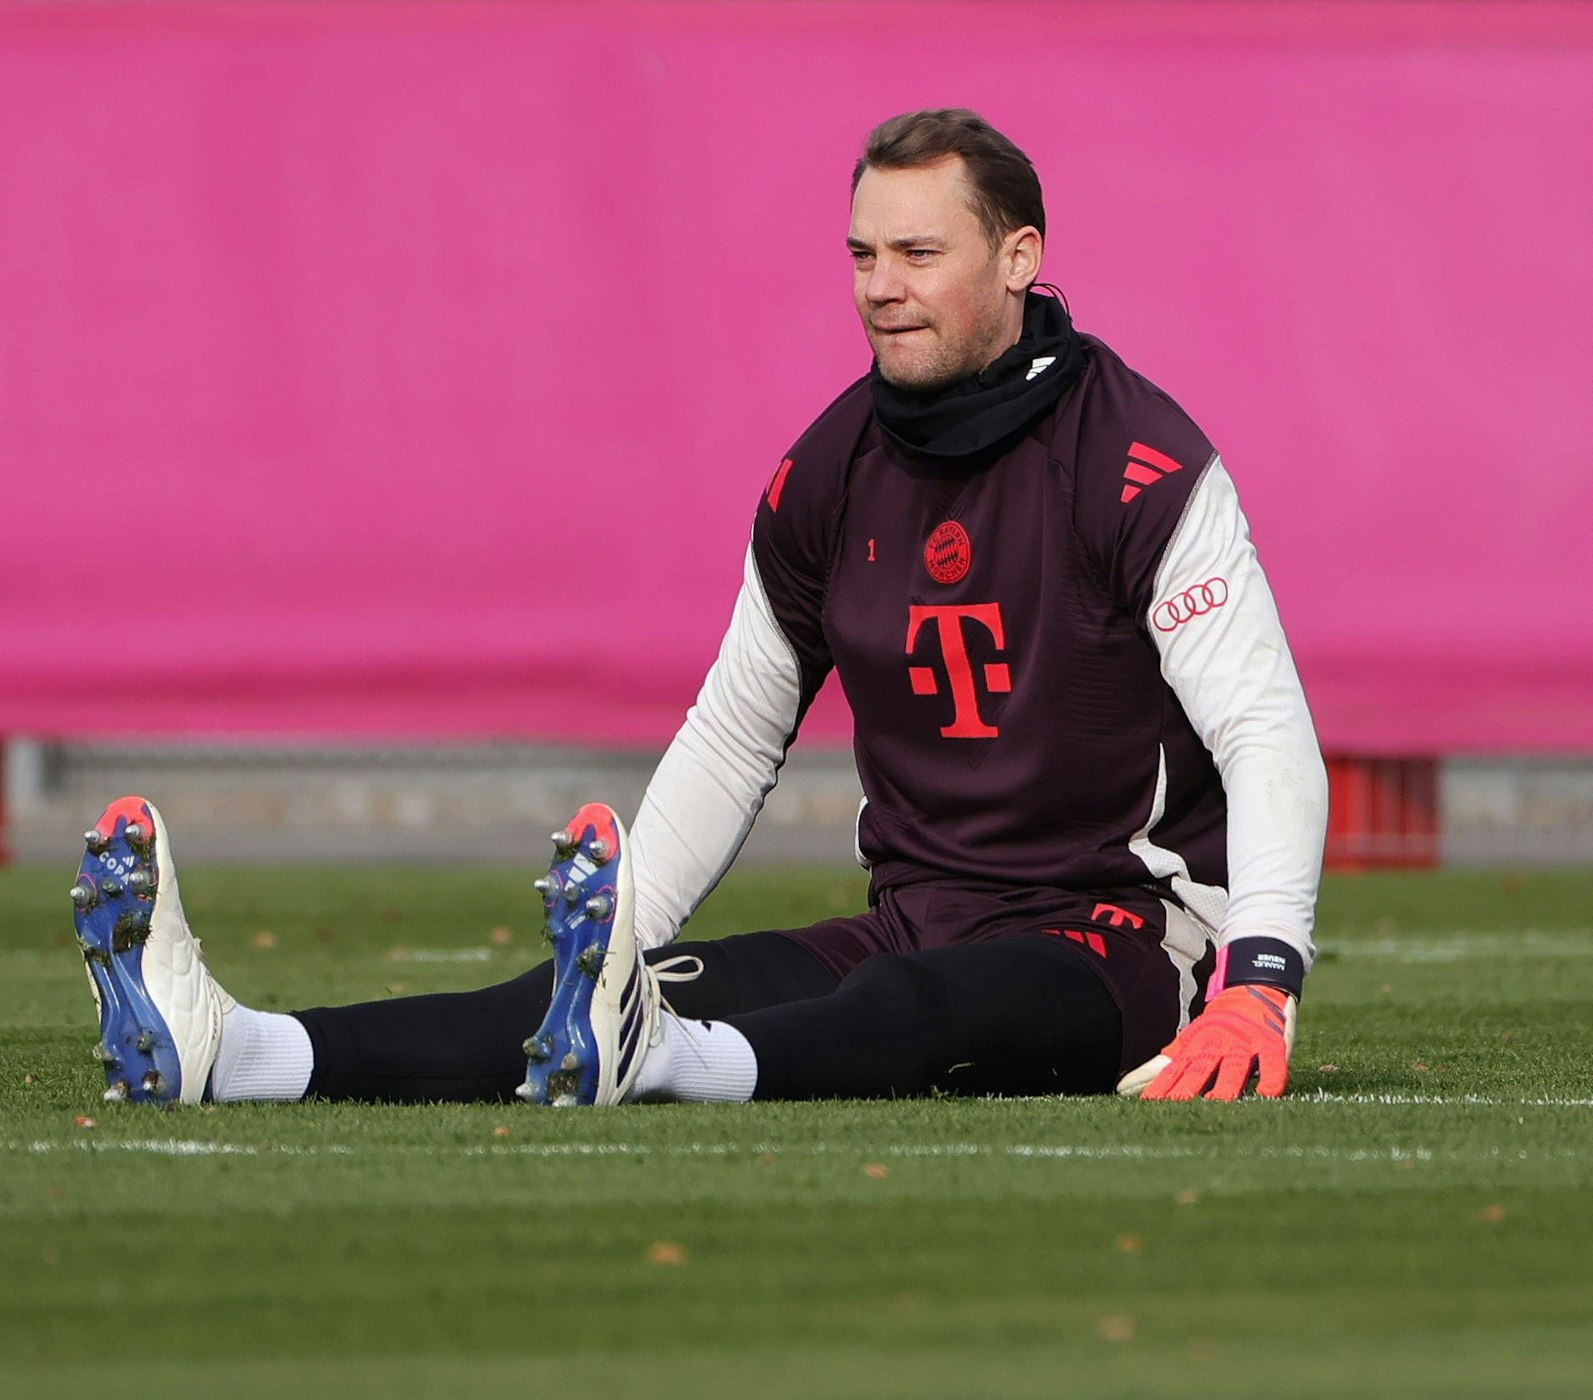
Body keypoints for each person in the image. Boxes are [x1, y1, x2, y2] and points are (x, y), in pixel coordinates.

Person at [72, 109, 1327, 1112]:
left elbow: (1262, 731)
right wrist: (618, 951)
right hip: (913, 916)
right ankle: (237, 1052)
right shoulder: (828, 471)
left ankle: (663, 1063)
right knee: (621, 988)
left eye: (917, 254)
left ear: (1018, 258)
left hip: (1120, 942)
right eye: (859, 254)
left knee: (934, 1007)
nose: (880, 287)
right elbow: (736, 732)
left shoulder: (1140, 463)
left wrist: (1256, 977)